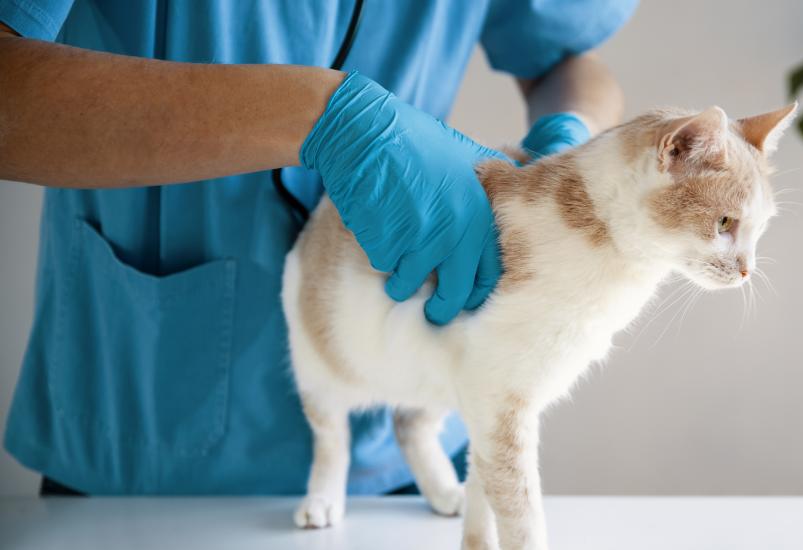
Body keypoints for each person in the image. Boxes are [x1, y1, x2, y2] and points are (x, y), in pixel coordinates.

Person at [0, 0, 634, 495]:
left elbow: (564, 60)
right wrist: (321, 117)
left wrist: (573, 145)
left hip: (402, 436)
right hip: (144, 445)